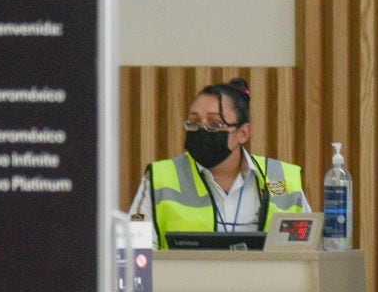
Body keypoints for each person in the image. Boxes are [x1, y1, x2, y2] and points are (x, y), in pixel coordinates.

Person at [128, 78, 308, 243]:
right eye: (194, 122)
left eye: (215, 124)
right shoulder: (160, 178)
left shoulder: (283, 179)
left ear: (243, 133)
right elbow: (134, 253)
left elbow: (308, 250)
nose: (202, 130)